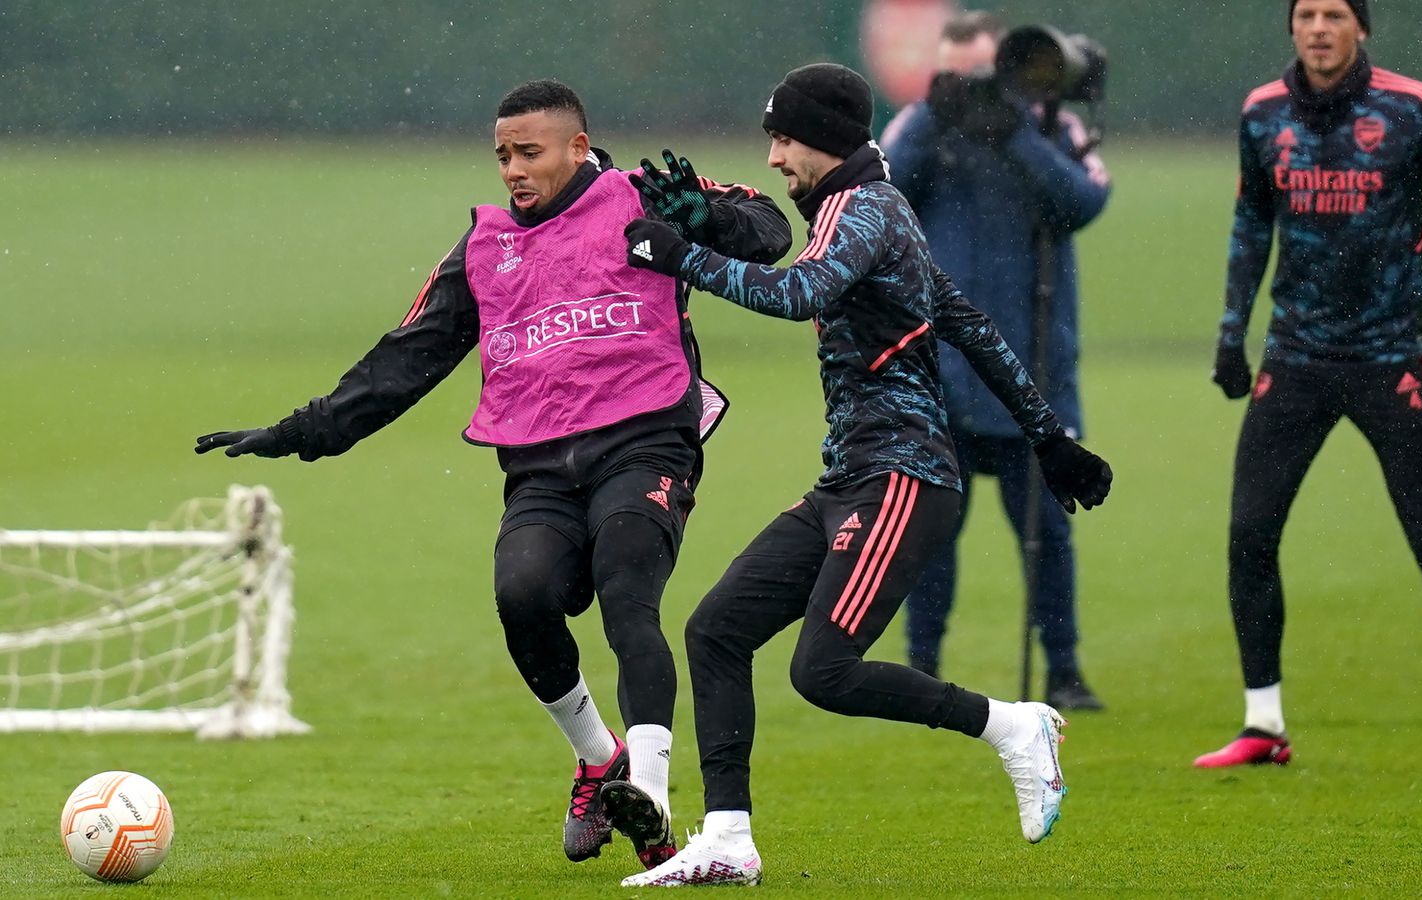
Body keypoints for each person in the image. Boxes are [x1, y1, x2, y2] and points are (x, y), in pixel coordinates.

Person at [194, 80, 793, 865]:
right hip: (541, 464)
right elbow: (407, 358)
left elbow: (772, 229)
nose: (512, 169)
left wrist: (704, 220)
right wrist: (302, 431)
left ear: (579, 147)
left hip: (647, 440)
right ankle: (596, 759)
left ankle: (652, 801)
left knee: (625, 585)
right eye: (502, 155)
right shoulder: (483, 248)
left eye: (529, 153)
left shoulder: (642, 195)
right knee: (523, 595)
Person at [616, 63, 1113, 887]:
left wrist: (682, 255)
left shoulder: (865, 208)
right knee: (716, 631)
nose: (773, 158)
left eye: (782, 138)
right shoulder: (872, 207)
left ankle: (1012, 726)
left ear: (824, 139)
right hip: (850, 477)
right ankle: (730, 839)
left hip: (902, 477)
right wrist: (1046, 434)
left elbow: (798, 293)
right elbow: (971, 327)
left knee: (823, 672)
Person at [1197, 0, 1422, 774]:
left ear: (1361, 28)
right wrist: (1232, 332)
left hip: (1389, 360)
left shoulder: (1411, 107)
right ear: (1292, 28)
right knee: (1249, 535)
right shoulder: (1262, 113)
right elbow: (1251, 223)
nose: (1319, 27)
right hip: (1295, 359)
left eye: (1336, 13)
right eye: (1306, 14)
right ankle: (1263, 724)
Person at [880, 11, 1113, 710]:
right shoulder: (918, 129)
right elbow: (885, 188)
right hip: (939, 372)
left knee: (1048, 533)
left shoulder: (1050, 130)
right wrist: (933, 117)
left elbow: (1084, 201)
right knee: (929, 534)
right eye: (955, 74)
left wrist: (1015, 134)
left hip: (1033, 369)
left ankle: (1063, 669)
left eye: (984, 71)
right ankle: (921, 664)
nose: (972, 85)